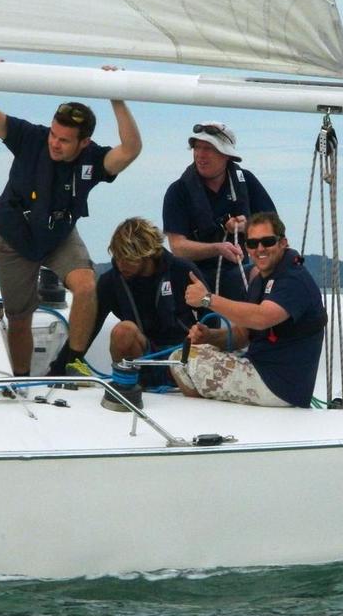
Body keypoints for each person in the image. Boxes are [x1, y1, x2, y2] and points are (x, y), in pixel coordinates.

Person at [0, 67, 142, 376]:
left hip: (58, 235)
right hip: (15, 238)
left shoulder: (93, 159)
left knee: (87, 286)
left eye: (64, 140)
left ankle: (68, 364)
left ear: (84, 142)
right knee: (19, 317)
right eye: (53, 134)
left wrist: (116, 96)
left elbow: (130, 150)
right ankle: (21, 380)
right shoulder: (29, 138)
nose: (54, 143)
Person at [176, 211, 326, 408]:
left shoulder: (293, 280)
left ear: (283, 243)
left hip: (278, 386)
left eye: (268, 241)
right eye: (253, 244)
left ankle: (206, 415)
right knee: (193, 350)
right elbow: (242, 335)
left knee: (180, 359)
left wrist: (207, 299)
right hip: (262, 370)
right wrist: (209, 336)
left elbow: (262, 318)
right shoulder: (262, 280)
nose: (260, 249)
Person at [162, 122, 275, 302]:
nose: (200, 155)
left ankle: (262, 327)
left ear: (226, 155)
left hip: (237, 271)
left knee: (259, 274)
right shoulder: (178, 191)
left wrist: (248, 227)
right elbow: (178, 247)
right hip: (193, 275)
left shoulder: (246, 181)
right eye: (197, 147)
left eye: (208, 148)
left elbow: (274, 228)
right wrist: (218, 249)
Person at [90, 217, 207, 388]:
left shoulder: (183, 271)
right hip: (143, 358)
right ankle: (125, 389)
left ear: (148, 254)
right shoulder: (111, 281)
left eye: (129, 259)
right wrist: (60, 368)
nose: (121, 265)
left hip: (183, 357)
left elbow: (210, 321)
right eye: (118, 257)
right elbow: (90, 327)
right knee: (123, 331)